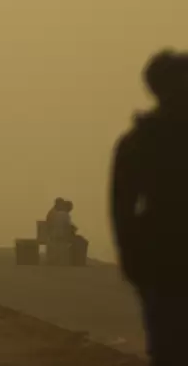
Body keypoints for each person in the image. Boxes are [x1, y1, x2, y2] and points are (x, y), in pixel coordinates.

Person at [111, 50, 188, 366]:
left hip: (157, 259)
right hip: (161, 260)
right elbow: (122, 207)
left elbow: (122, 209)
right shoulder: (140, 141)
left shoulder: (137, 140)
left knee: (167, 346)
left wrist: (131, 259)